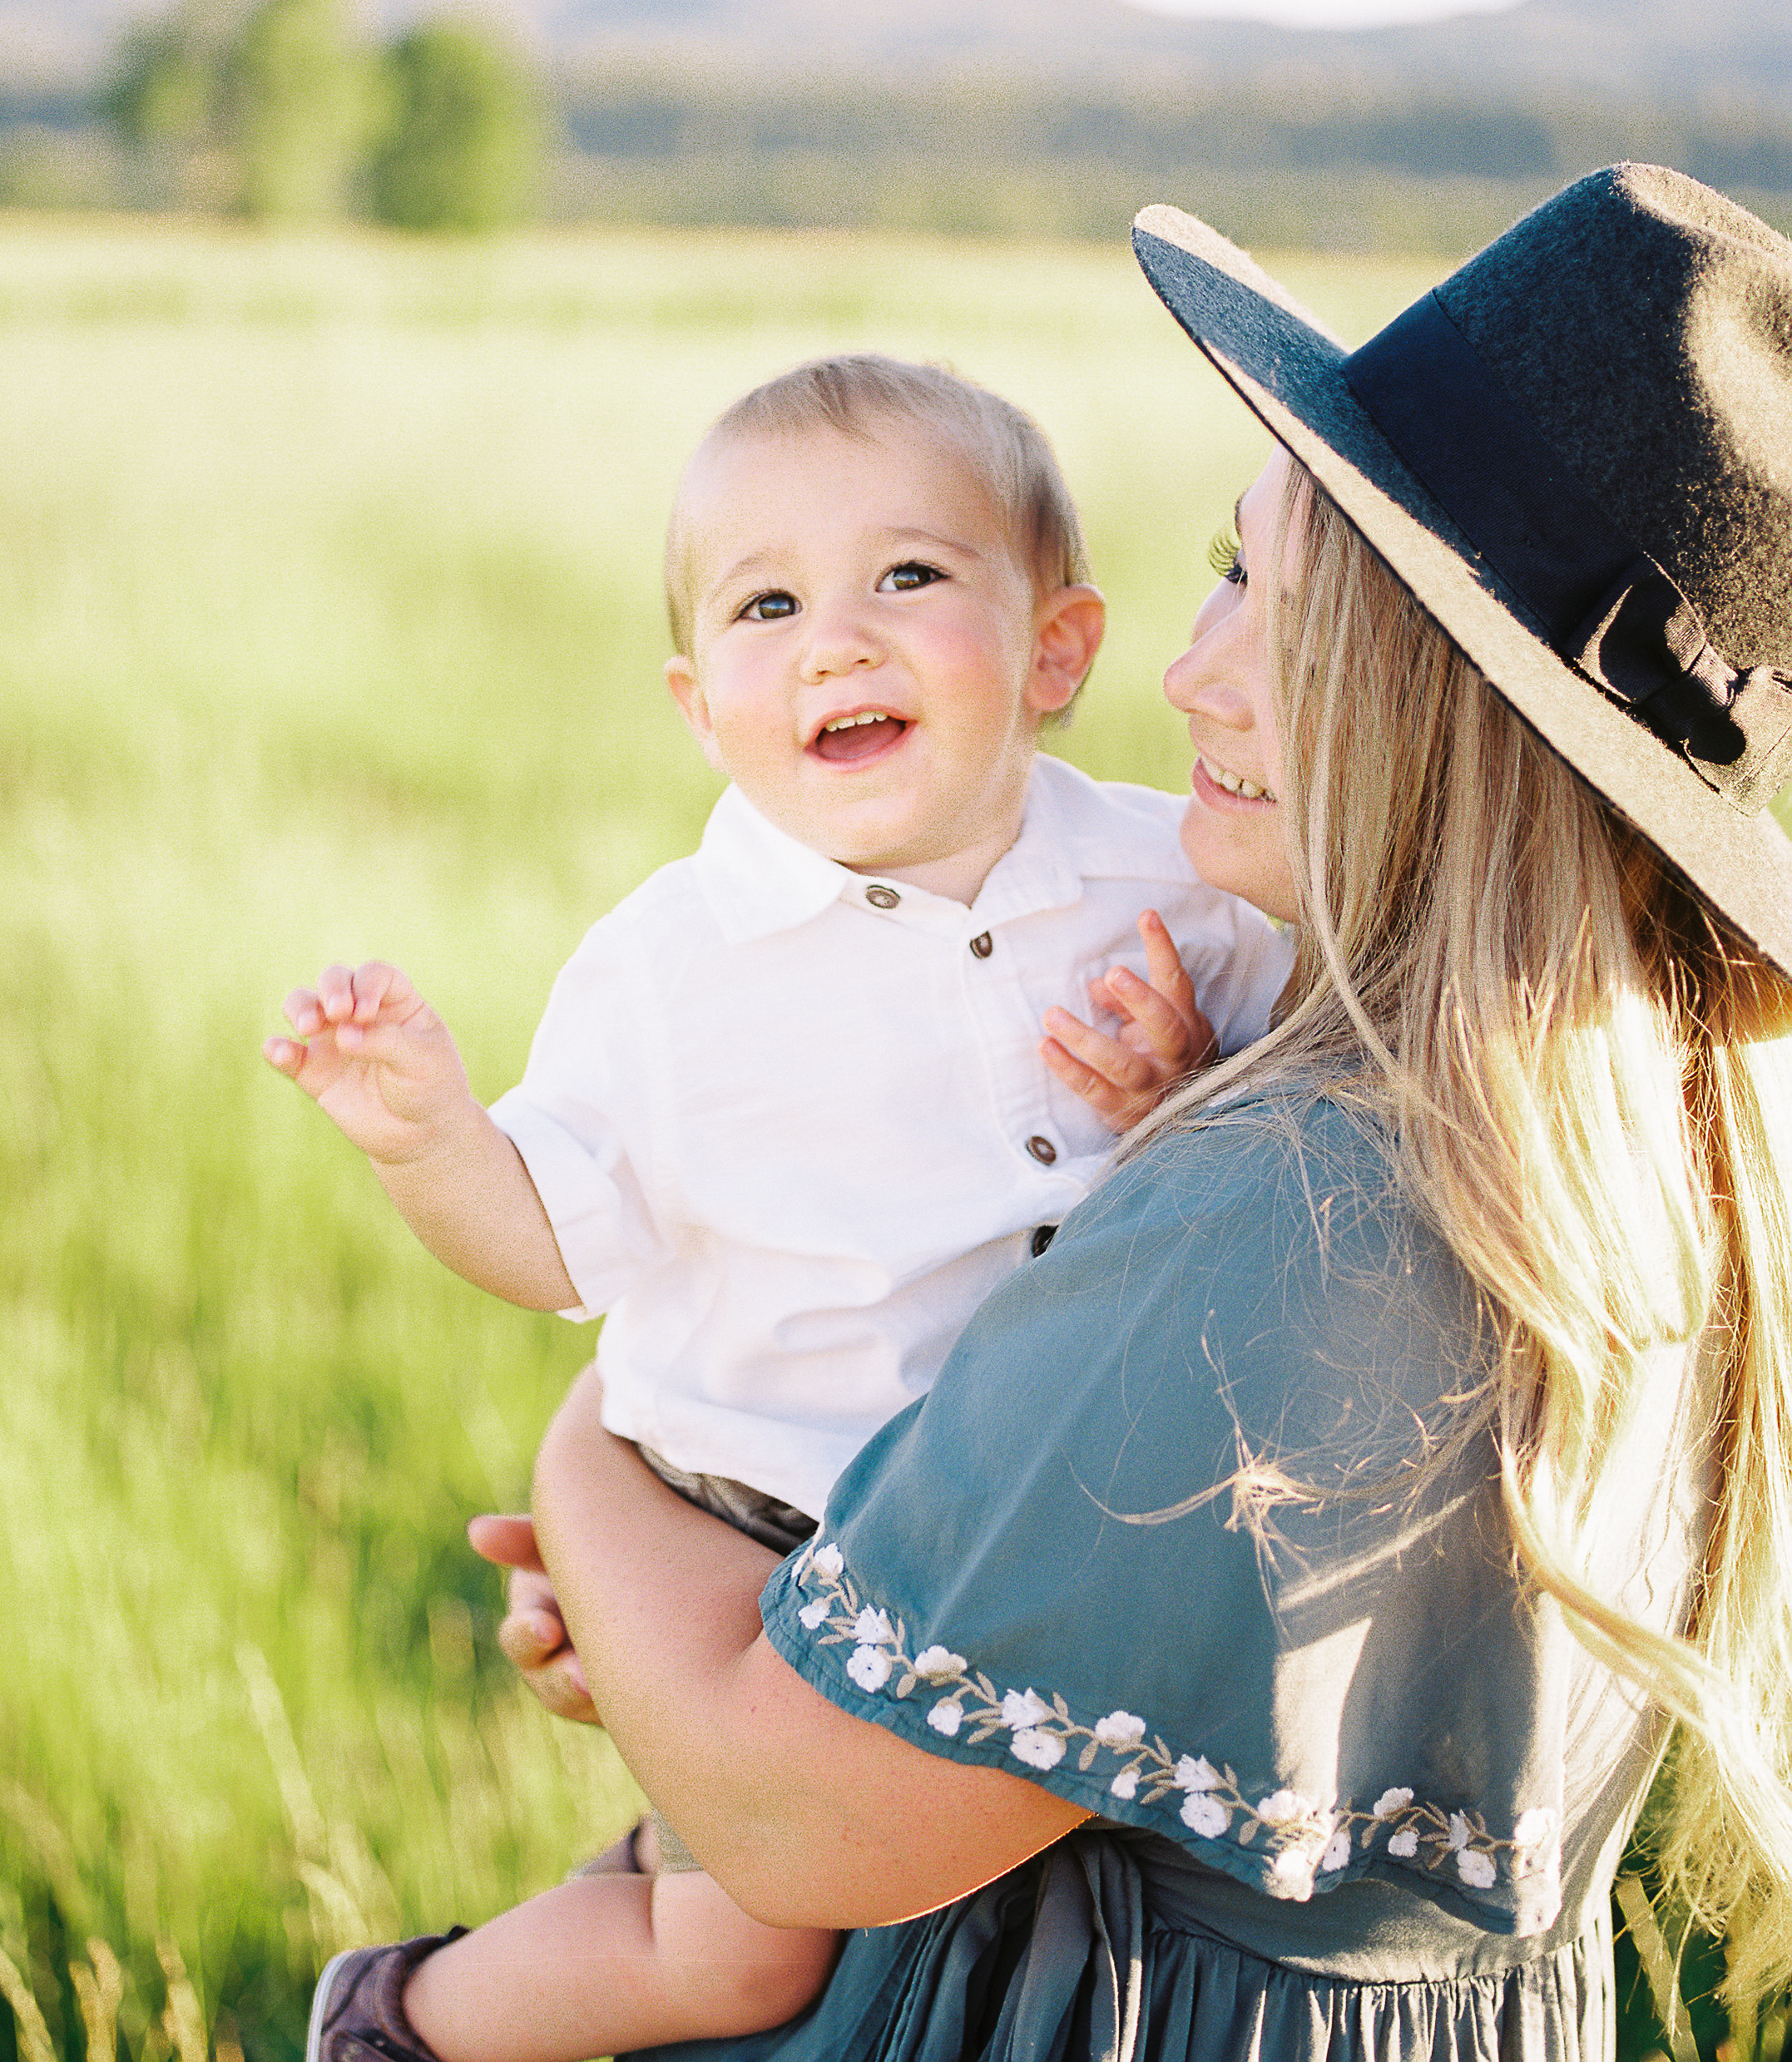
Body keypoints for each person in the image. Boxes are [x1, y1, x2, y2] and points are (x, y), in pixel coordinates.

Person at [447, 166, 1792, 2061]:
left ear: (1460, 703)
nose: (1186, 671)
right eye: (1226, 566)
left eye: (1289, 600)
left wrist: (602, 1486)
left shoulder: (1300, 1204)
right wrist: (699, 1636)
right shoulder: (1652, 1133)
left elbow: (803, 1809)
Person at [269, 354, 1293, 2062]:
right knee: (743, 1955)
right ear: (700, 708)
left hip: (1013, 1521)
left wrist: (1179, 1095)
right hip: (761, 1527)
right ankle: (398, 2023)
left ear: (1058, 648)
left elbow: (1267, 1147)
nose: (838, 640)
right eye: (767, 605)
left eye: (909, 575)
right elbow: (549, 1245)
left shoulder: (1179, 886)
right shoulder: (675, 972)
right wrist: (429, 1142)